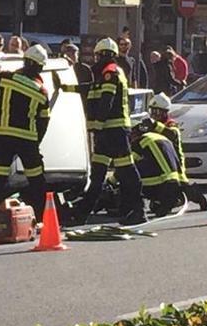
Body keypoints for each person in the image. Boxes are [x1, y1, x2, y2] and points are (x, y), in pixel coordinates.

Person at [62, 38, 145, 225]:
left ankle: (138, 209)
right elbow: (90, 89)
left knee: (126, 171)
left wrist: (97, 125)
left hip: (114, 131)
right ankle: (82, 214)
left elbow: (106, 100)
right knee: (98, 174)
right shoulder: (104, 74)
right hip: (106, 133)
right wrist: (65, 88)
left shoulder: (110, 73)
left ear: (100, 55)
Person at [0, 45, 52, 224]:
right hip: (28, 140)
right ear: (40, 67)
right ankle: (43, 219)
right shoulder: (42, 91)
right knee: (37, 181)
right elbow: (44, 121)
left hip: (4, 138)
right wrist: (36, 141)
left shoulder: (7, 78)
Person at [137, 93, 207, 211]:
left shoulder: (170, 125)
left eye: (157, 112)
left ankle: (194, 194)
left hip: (175, 164)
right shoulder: (151, 126)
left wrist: (155, 126)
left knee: (180, 187)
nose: (154, 115)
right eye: (152, 111)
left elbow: (172, 134)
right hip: (159, 162)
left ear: (164, 112)